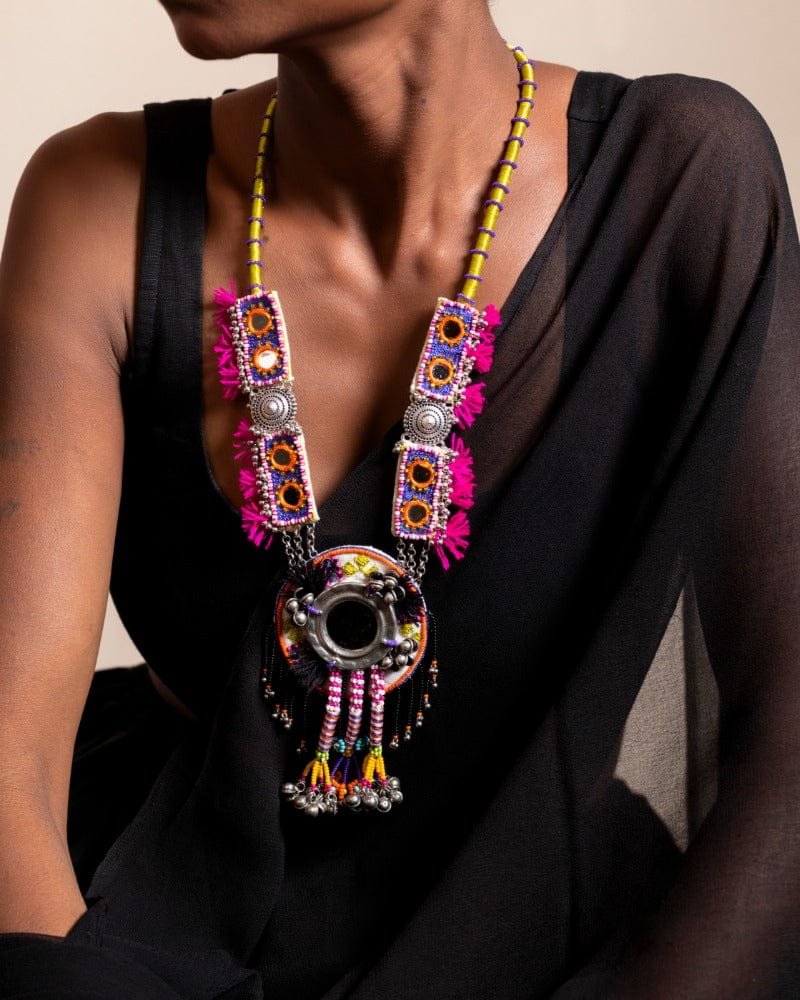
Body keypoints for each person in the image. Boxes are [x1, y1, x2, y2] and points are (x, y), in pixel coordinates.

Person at [0, 0, 798, 996]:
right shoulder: (95, 204)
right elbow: (10, 766)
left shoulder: (677, 182)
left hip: (562, 942)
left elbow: (785, 750)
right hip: (140, 926)